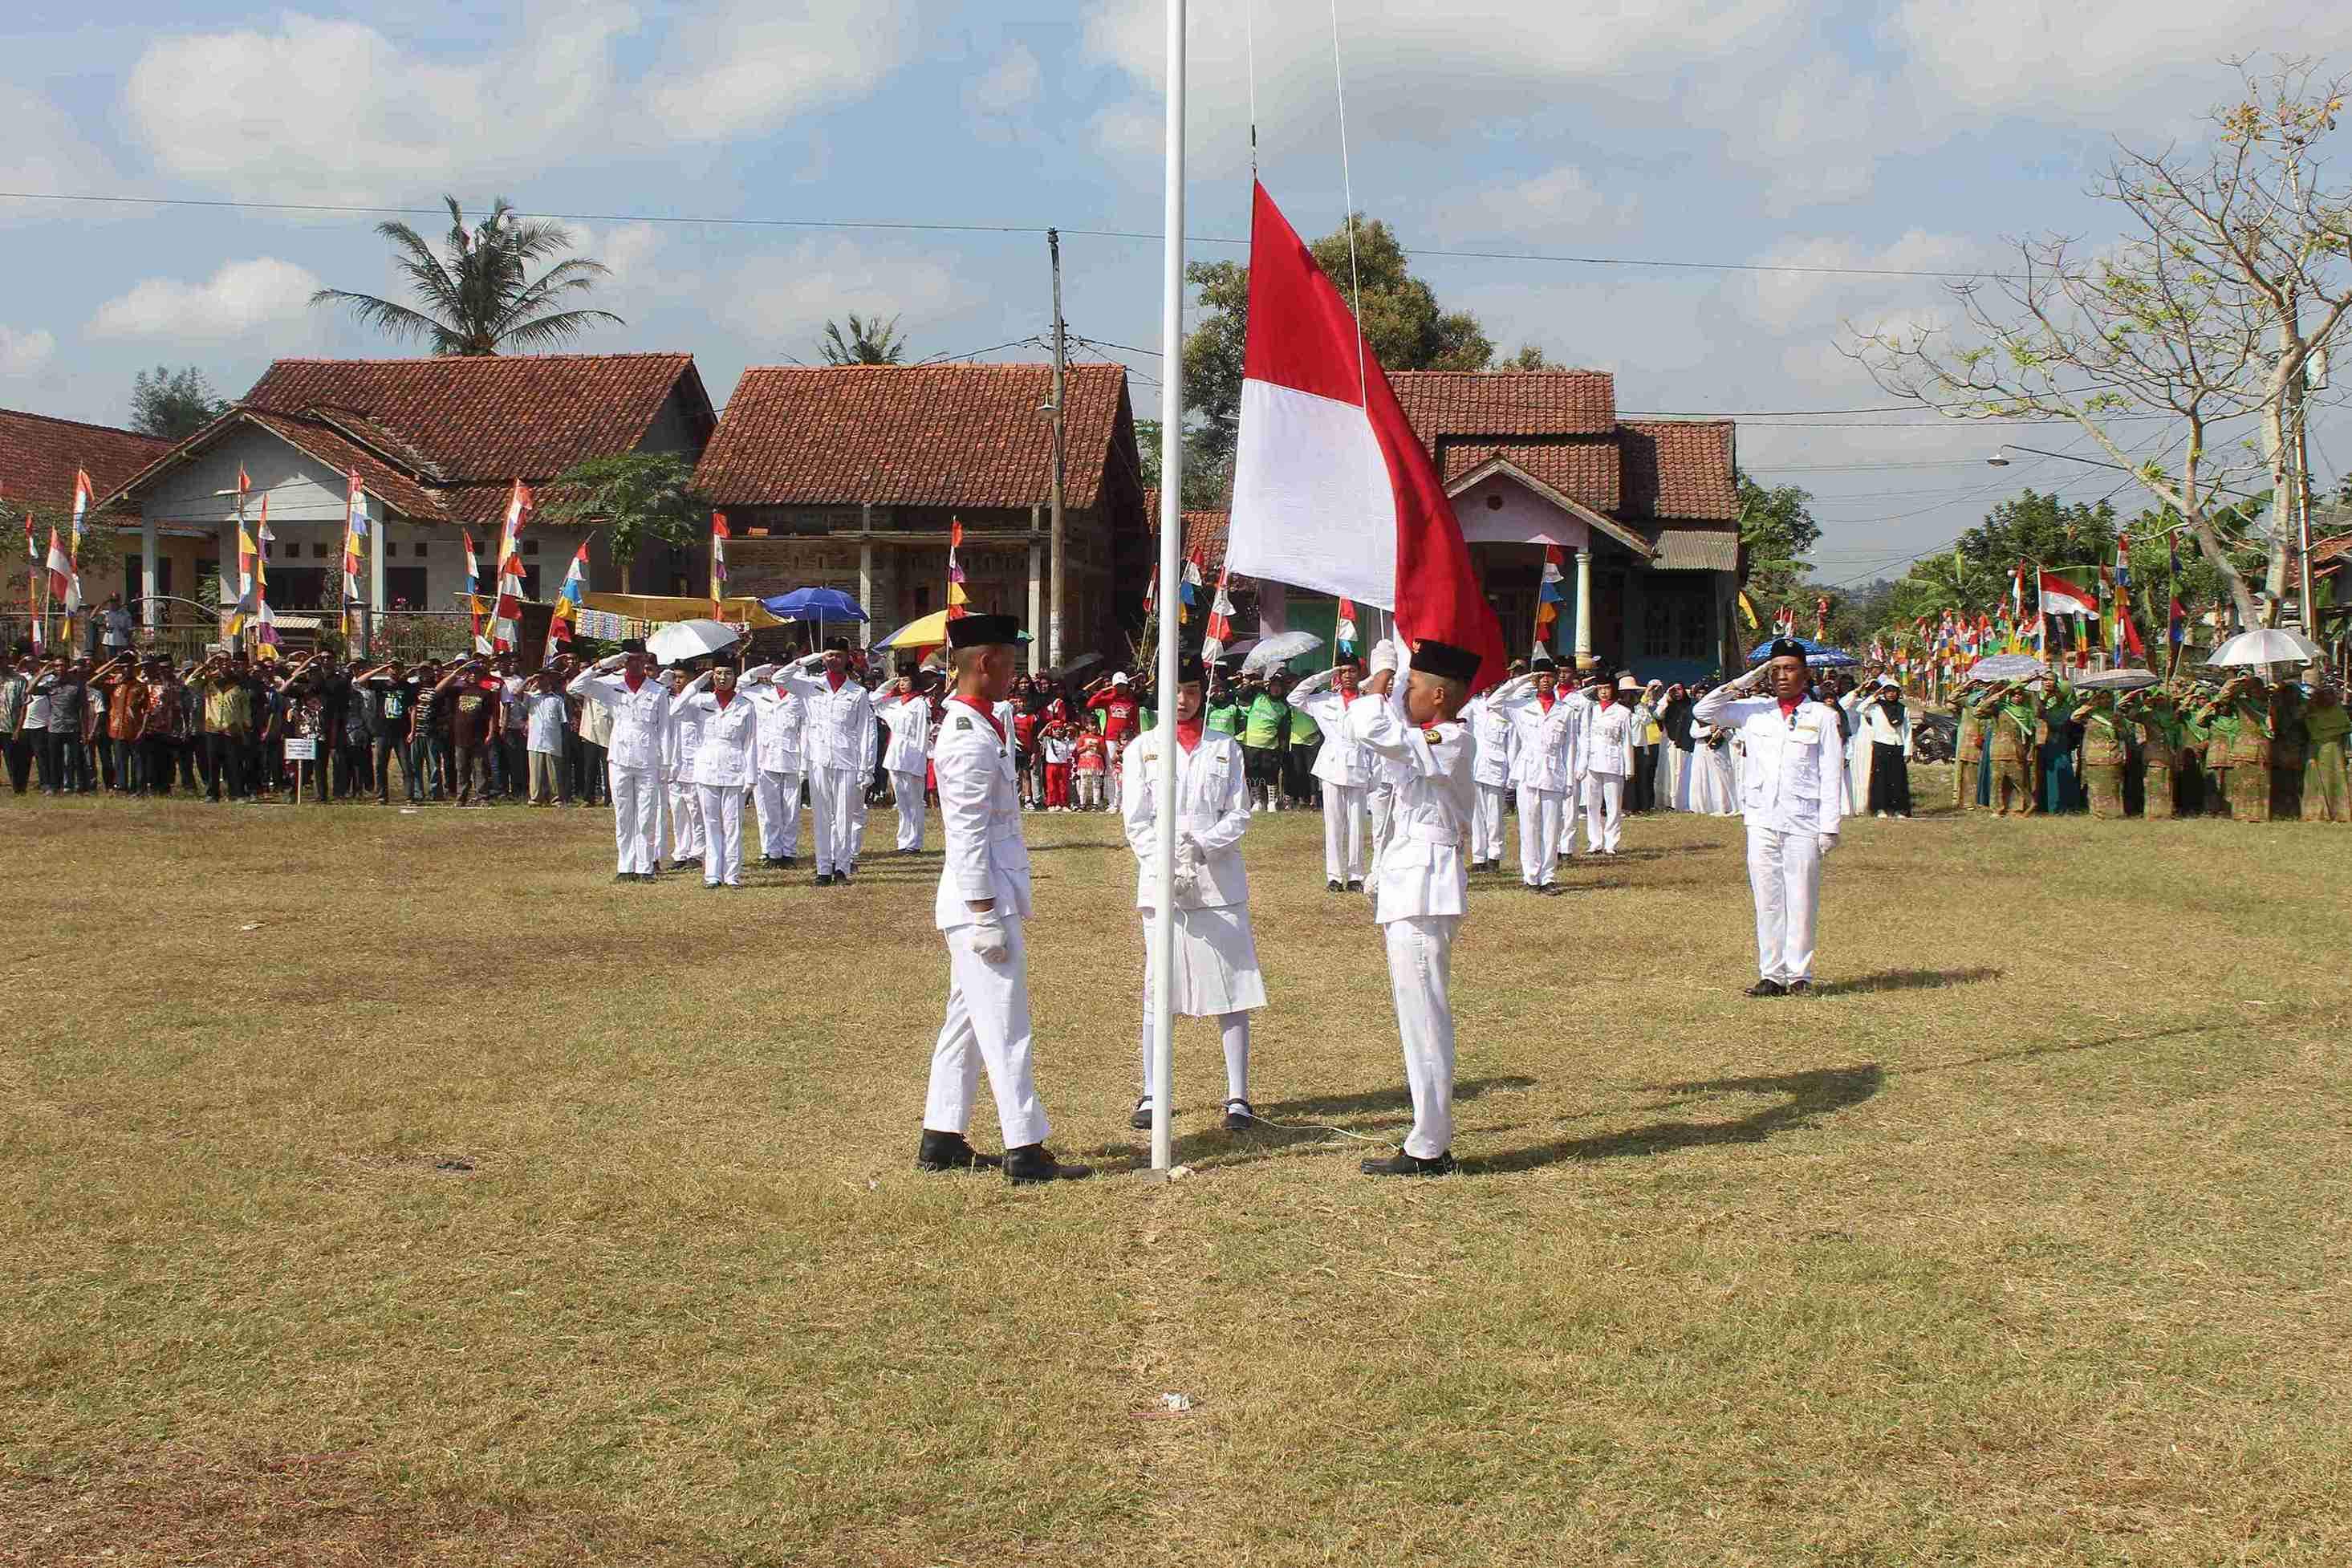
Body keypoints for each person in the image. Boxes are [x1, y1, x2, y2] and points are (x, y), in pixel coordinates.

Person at [916, 612, 1091, 1184]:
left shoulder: (983, 724)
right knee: (1006, 1026)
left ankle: (941, 1136)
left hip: (988, 895)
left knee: (965, 1021)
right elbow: (965, 835)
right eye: (1010, 663)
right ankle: (1025, 1146)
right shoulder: (966, 737)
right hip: (980, 903)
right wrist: (984, 911)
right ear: (985, 664)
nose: (1016, 675)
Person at [1347, 638, 1480, 1176]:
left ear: (1441, 695)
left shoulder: (1449, 738)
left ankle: (1429, 1145)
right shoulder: (1427, 737)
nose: (1405, 696)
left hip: (1427, 888)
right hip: (1410, 883)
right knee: (1416, 1016)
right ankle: (1427, 1136)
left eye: (1414, 688)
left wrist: (1379, 676)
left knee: (1425, 1019)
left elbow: (1374, 729)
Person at [1120, 644, 1266, 1133]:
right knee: (1157, 987)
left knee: (1233, 988)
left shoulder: (1225, 746)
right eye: (1173, 691)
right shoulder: (1141, 748)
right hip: (1162, 882)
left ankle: (1238, 1095)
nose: (1181, 700)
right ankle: (1152, 1089)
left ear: (1201, 695)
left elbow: (1239, 812)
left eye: (1189, 691)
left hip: (1219, 880)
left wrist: (1201, 848)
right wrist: (1166, 863)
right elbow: (1137, 820)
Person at [1693, 640, 1845, 997]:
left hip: (1803, 819)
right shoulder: (1753, 711)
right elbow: (1704, 711)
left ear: (1806, 675)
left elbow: (1830, 772)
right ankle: (1771, 973)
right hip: (1762, 817)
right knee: (1767, 897)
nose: (1781, 676)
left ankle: (1800, 974)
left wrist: (1830, 826)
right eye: (1775, 669)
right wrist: (1745, 680)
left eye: (1789, 668)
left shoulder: (1823, 717)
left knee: (1801, 896)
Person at [568, 642, 671, 881]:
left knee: (646, 815)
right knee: (623, 814)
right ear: (623, 661)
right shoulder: (611, 686)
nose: (635, 663)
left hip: (648, 758)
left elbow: (665, 729)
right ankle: (625, 866)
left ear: (646, 660)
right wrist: (604, 664)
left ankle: (645, 867)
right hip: (620, 757)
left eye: (639, 658)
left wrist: (666, 764)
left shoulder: (658, 691)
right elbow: (575, 686)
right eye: (630, 659)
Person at [777, 640, 877, 885]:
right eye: (829, 655)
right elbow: (780, 678)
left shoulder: (857, 692)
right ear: (823, 658)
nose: (834, 659)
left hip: (847, 760)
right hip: (818, 758)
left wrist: (867, 767)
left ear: (847, 659)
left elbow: (866, 730)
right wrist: (807, 658)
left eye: (838, 655)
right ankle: (823, 868)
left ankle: (842, 867)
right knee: (821, 815)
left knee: (843, 816)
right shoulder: (811, 686)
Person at [1486, 658, 1578, 893]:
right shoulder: (1521, 707)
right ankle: (1531, 876)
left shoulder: (1566, 711)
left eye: (1549, 676)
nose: (1545, 680)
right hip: (1527, 771)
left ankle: (1548, 876)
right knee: (1529, 827)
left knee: (1551, 828)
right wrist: (1521, 679)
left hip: (1554, 772)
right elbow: (1495, 702)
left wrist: (1569, 781)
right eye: (1540, 676)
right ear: (1535, 680)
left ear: (1555, 678)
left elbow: (1570, 748)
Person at [1286, 662, 1374, 892]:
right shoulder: (1324, 699)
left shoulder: (1368, 702)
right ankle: (1334, 877)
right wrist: (1324, 675)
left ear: (1358, 674)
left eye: (1351, 671)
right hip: (1332, 765)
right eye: (1342, 671)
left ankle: (1356, 876)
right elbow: (1294, 698)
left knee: (1357, 824)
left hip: (1358, 764)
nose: (1347, 676)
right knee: (1333, 823)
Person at [676, 662, 758, 888]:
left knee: (732, 825)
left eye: (728, 673)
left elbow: (751, 742)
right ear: (712, 676)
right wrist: (696, 684)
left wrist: (751, 776)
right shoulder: (702, 701)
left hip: (734, 768)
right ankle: (712, 874)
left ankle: (731, 875)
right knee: (711, 823)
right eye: (718, 673)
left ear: (735, 676)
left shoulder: (746, 705)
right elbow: (676, 709)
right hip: (706, 768)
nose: (723, 678)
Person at [740, 661, 808, 867]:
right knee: (766, 809)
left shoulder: (800, 696)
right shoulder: (759, 693)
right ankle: (770, 851)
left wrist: (804, 763)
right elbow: (737, 687)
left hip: (791, 758)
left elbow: (805, 730)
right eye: (775, 670)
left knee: (790, 808)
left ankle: (788, 852)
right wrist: (754, 671)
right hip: (764, 758)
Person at [872, 670, 937, 850]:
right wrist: (891, 682)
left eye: (906, 679)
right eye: (900, 680)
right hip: (895, 753)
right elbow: (874, 700)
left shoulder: (920, 704)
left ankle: (915, 842)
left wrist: (919, 760)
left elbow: (923, 734)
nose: (902, 683)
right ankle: (903, 841)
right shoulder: (895, 703)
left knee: (915, 800)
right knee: (901, 801)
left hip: (913, 752)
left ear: (914, 682)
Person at [1458, 681, 1516, 871]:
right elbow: (1460, 723)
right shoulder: (1473, 706)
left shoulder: (1506, 709)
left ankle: (1494, 856)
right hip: (1475, 767)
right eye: (1485, 684)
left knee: (1494, 816)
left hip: (1496, 768)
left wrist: (1512, 773)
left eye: (1492, 684)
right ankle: (1478, 857)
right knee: (1476, 816)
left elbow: (1512, 745)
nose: (1488, 688)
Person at [1579, 673, 1635, 854]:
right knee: (1592, 804)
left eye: (1607, 688)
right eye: (1600, 689)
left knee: (1613, 805)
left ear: (1614, 690)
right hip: (1592, 761)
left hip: (1613, 761)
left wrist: (1629, 767)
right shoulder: (1591, 710)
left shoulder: (1623, 712)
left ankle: (1611, 842)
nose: (1603, 692)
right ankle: (1595, 841)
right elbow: (1585, 736)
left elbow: (1627, 741)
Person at [661, 666, 707, 871]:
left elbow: (678, 710)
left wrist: (694, 687)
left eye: (681, 677)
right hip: (673, 765)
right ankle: (681, 852)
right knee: (678, 811)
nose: (677, 681)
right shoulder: (666, 699)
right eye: (674, 678)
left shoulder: (699, 699)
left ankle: (698, 853)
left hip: (693, 763)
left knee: (696, 811)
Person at [1858, 676, 1914, 819]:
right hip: (1881, 745)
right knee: (1880, 779)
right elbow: (1860, 708)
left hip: (1897, 745)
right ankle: (1880, 809)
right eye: (1887, 691)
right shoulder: (1876, 707)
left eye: (1893, 691)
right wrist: (1874, 695)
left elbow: (1907, 731)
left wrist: (1908, 750)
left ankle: (1898, 809)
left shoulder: (1904, 709)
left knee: (1898, 779)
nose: (1891, 694)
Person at [1237, 673, 1290, 814]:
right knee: (1252, 773)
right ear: (1269, 686)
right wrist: (1253, 684)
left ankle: (1272, 802)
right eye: (1273, 686)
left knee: (1270, 773)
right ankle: (1257, 801)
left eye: (1279, 687)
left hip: (1270, 746)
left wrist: (1283, 746)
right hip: (1251, 743)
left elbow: (1285, 730)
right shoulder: (1258, 696)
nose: (1276, 689)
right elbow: (1241, 696)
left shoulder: (1284, 707)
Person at [2073, 689, 2129, 820]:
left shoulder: (2117, 716)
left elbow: (2125, 735)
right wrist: (2089, 705)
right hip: (2094, 756)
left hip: (2113, 755)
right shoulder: (2090, 716)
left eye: (2108, 698)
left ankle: (2113, 813)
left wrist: (2118, 727)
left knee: (2113, 786)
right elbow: (2074, 717)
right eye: (2101, 698)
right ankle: (2097, 813)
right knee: (2096, 787)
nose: (2105, 701)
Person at [522, 663, 573, 805]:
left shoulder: (557, 700)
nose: (542, 682)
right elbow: (515, 693)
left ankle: (556, 798)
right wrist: (530, 679)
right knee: (536, 773)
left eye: (545, 679)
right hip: (535, 741)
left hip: (553, 741)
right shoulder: (531, 698)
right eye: (540, 680)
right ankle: (535, 798)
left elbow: (563, 722)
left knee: (554, 773)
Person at [2303, 683, 2349, 823]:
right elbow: (2345, 731)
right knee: (2334, 780)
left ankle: (2317, 813)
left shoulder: (2311, 712)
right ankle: (2338, 813)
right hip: (2332, 749)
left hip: (2319, 750)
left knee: (2319, 780)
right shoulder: (2337, 711)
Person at [1038, 713, 1074, 810]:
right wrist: (1047, 727)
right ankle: (1052, 804)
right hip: (1051, 766)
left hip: (1063, 765)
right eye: (1055, 729)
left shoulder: (1065, 742)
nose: (1058, 731)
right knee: (1051, 786)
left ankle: (1063, 804)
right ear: (1051, 731)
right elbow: (1039, 737)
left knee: (1063, 785)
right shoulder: (1048, 740)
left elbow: (1068, 755)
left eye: (1060, 729)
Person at [1072, 722, 1109, 811]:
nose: (1094, 727)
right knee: (1084, 784)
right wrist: (1086, 747)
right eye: (1092, 725)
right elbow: (1078, 750)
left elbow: (1103, 751)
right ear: (1087, 727)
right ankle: (1082, 803)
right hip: (1084, 763)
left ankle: (1096, 803)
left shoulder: (1100, 738)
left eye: (1095, 725)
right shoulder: (1083, 737)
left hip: (1096, 764)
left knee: (1096, 784)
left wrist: (1097, 747)